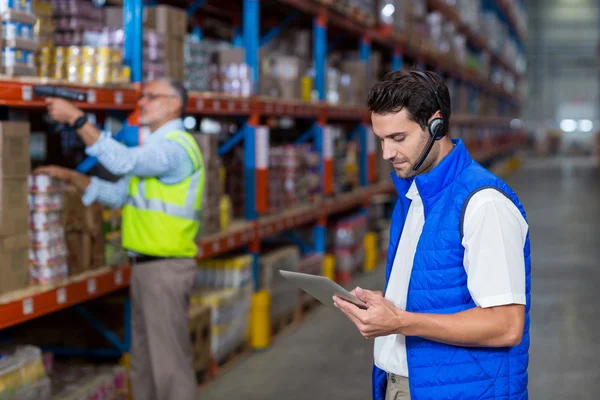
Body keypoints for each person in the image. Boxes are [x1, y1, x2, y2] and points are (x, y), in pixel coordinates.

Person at [333, 70, 531, 400]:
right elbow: (433, 288)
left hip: (462, 389)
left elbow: (507, 325)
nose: (387, 153)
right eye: (381, 139)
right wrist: (387, 306)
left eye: (398, 138)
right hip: (405, 384)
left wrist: (398, 320)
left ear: (436, 125)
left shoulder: (484, 204)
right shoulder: (413, 197)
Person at [35, 78, 204, 400]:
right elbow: (117, 194)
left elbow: (123, 162)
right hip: (145, 268)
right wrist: (71, 177)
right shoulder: (154, 148)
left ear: (175, 104)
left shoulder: (176, 148)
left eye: (152, 97)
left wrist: (77, 120)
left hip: (165, 270)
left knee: (169, 368)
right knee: (143, 363)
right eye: (143, 97)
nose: (142, 102)